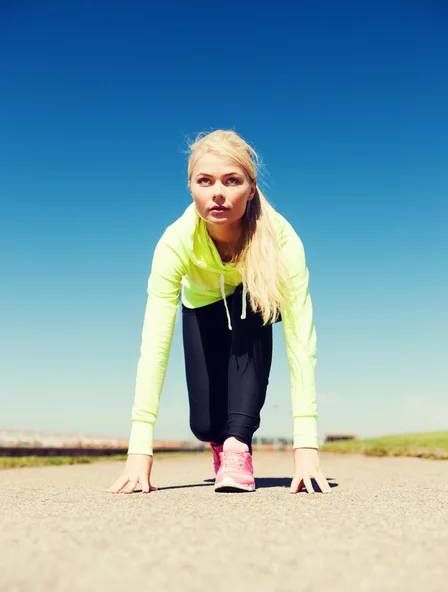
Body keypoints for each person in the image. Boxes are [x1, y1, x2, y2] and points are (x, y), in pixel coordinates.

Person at [107, 129, 331, 495]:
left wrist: (306, 445)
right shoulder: (175, 242)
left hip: (253, 300)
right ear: (191, 187)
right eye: (205, 181)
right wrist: (139, 450)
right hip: (202, 304)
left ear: (252, 187)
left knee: (256, 304)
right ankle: (219, 441)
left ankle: (237, 447)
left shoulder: (281, 239)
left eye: (232, 180)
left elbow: (301, 340)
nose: (218, 193)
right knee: (206, 424)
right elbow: (154, 347)